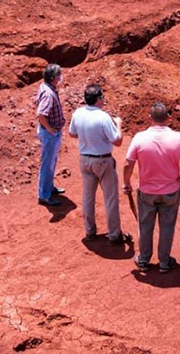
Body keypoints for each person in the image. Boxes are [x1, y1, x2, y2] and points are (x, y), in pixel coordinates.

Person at [124, 102, 180, 273]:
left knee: (145, 226)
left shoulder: (139, 138)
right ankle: (164, 262)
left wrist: (126, 183)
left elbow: (127, 164)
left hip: (146, 192)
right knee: (167, 227)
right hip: (171, 191)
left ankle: (144, 260)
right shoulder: (179, 138)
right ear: (168, 118)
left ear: (150, 118)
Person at [68, 84, 131, 245]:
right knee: (110, 198)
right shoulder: (103, 117)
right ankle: (114, 235)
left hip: (84, 160)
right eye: (102, 97)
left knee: (88, 197)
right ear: (98, 99)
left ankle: (89, 231)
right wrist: (118, 124)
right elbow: (117, 141)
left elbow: (72, 133)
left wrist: (87, 138)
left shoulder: (78, 113)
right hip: (102, 160)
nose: (104, 100)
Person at [35, 63, 66, 207]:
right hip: (49, 135)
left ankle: (49, 188)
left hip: (51, 133)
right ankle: (44, 196)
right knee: (47, 165)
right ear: (53, 78)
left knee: (51, 162)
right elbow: (41, 114)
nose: (61, 76)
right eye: (59, 74)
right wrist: (50, 129)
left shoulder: (46, 87)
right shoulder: (48, 94)